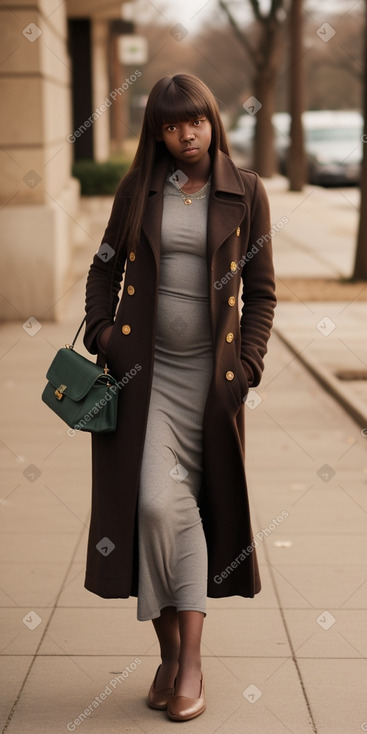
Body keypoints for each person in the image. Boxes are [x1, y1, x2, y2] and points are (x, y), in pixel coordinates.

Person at [83, 73, 276, 722]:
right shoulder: (138, 191)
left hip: (212, 385)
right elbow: (104, 266)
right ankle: (169, 652)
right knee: (151, 508)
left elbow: (261, 290)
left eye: (193, 121)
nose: (184, 134)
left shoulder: (244, 192)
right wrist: (106, 336)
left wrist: (245, 366)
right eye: (169, 125)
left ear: (211, 121)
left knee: (179, 510)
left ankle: (188, 662)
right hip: (148, 382)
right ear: (156, 132)